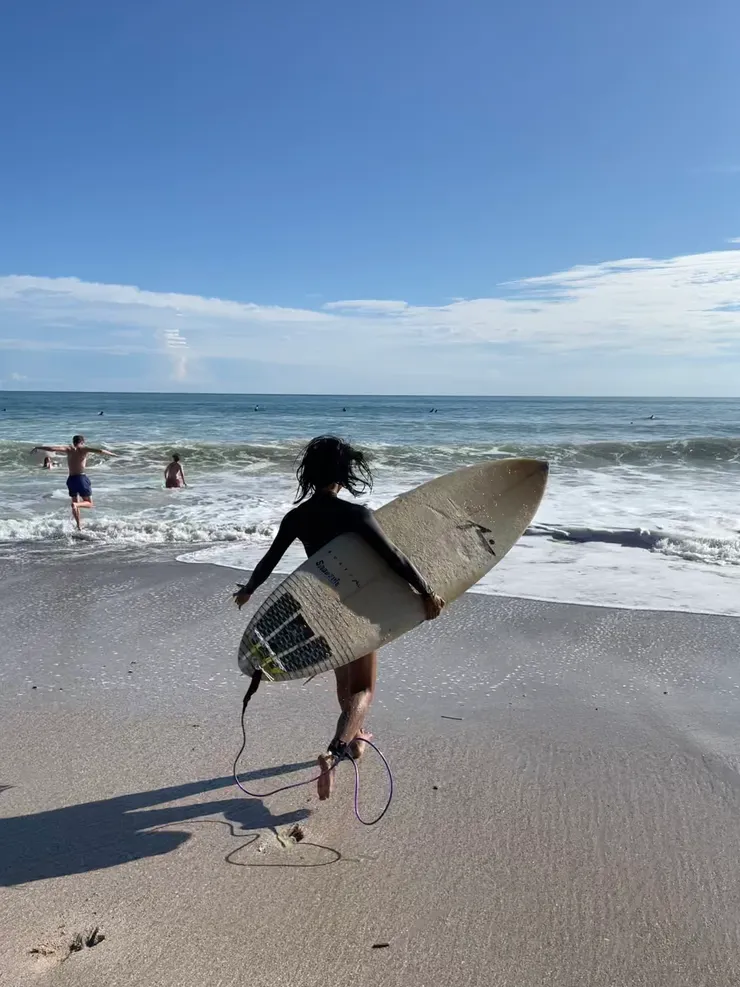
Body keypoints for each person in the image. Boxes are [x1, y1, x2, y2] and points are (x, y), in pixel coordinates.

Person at [233, 435, 445, 800]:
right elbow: (394, 557)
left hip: (323, 612)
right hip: (359, 611)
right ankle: (334, 752)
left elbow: (270, 559)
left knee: (345, 686)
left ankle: (356, 738)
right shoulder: (356, 515)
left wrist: (249, 588)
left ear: (310, 475)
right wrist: (426, 591)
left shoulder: (297, 517)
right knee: (363, 689)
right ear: (343, 474)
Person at [31, 435, 116, 530]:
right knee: (89, 503)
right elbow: (100, 451)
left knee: (75, 503)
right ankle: (76, 507)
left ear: (73, 442)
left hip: (71, 479)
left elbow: (52, 448)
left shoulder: (68, 449)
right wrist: (114, 455)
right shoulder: (83, 449)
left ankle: (79, 526)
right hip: (81, 479)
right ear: (82, 442)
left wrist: (38, 447)